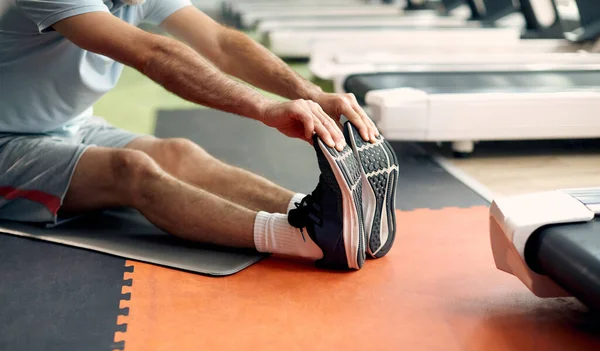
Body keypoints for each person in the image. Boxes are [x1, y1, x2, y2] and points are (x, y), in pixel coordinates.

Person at [0, 0, 398, 270]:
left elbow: (222, 44)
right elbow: (152, 54)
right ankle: (308, 240)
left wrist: (312, 93)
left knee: (178, 152)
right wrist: (264, 108)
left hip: (72, 125)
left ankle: (322, 214)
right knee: (131, 169)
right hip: (7, 143)